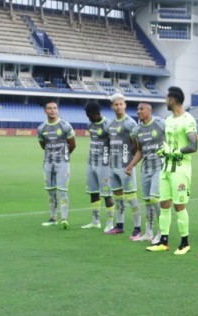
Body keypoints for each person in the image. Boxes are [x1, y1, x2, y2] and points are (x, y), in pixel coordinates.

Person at [146, 86, 197, 255]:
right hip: (166, 167)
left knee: (179, 205)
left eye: (167, 98)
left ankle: (185, 243)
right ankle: (164, 241)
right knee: (164, 204)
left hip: (180, 169)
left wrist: (173, 152)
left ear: (173, 100)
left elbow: (193, 146)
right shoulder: (167, 120)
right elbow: (167, 143)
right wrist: (163, 150)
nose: (165, 101)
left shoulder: (188, 119)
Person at [126, 102, 165, 243]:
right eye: (137, 109)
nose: (138, 111)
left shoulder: (161, 123)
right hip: (146, 169)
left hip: (160, 167)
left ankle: (162, 231)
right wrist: (131, 165)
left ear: (150, 110)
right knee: (148, 201)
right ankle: (148, 232)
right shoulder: (137, 129)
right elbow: (140, 150)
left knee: (154, 198)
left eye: (141, 109)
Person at [105, 93, 141, 238]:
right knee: (118, 197)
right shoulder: (111, 124)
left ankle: (137, 228)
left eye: (121, 104)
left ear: (125, 105)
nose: (119, 107)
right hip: (113, 166)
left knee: (131, 198)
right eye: (116, 104)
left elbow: (136, 144)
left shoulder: (130, 123)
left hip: (126, 166)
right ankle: (119, 225)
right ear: (112, 107)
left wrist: (130, 163)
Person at [37, 101, 76, 229]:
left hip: (62, 163)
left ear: (57, 110)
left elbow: (72, 144)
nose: (52, 110)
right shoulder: (41, 128)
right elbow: (43, 145)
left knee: (62, 191)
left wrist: (64, 155)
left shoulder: (65, 125)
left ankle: (64, 218)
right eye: (49, 108)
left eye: (54, 108)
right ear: (45, 111)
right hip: (48, 163)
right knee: (51, 192)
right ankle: (53, 218)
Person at [81, 101, 115, 230]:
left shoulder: (108, 124)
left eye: (89, 115)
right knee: (93, 192)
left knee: (106, 194)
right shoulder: (89, 124)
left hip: (104, 163)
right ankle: (95, 221)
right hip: (91, 162)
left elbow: (114, 144)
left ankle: (110, 223)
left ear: (96, 113)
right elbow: (93, 140)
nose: (88, 117)